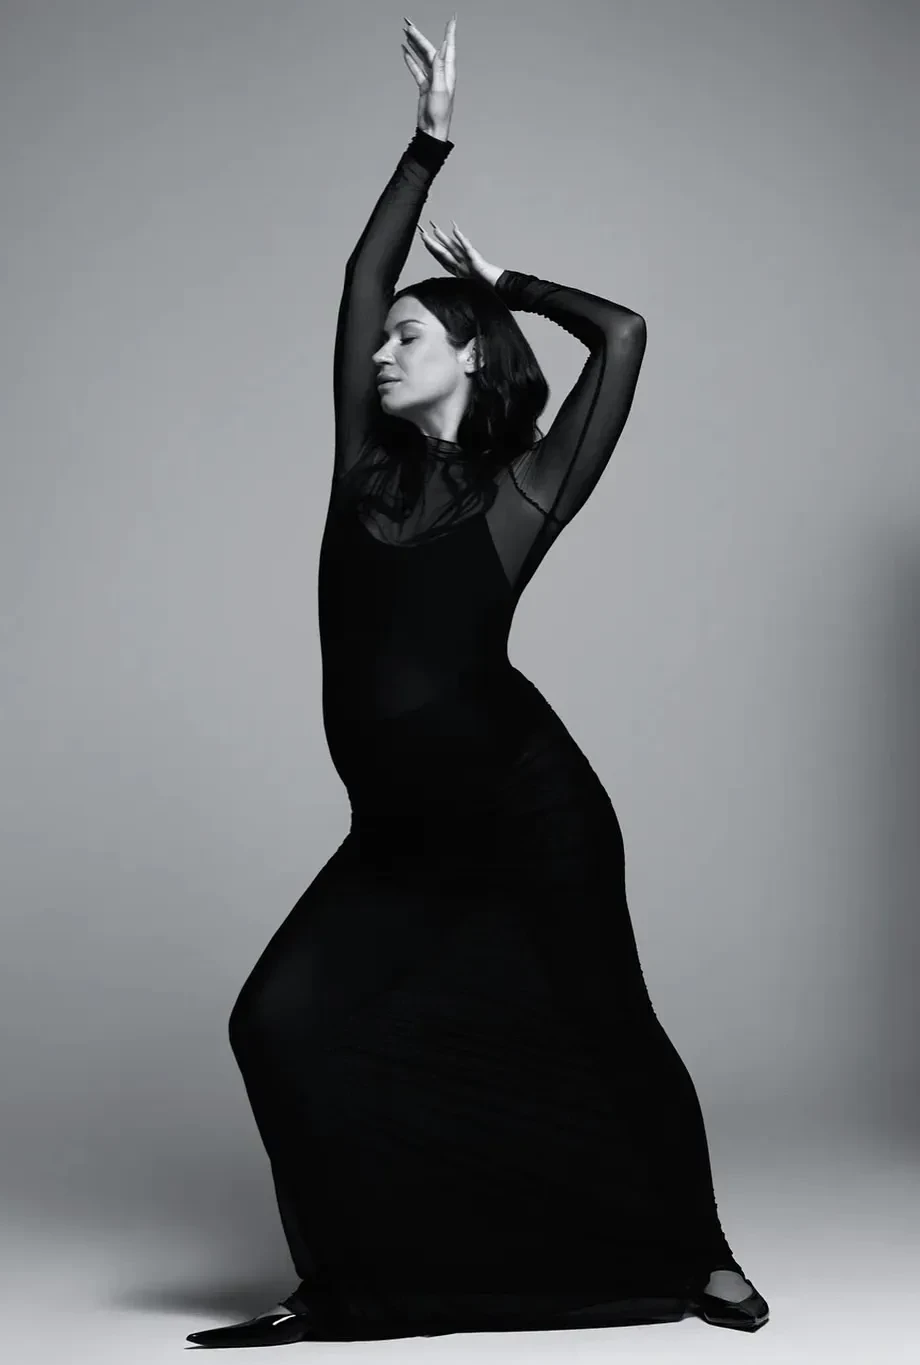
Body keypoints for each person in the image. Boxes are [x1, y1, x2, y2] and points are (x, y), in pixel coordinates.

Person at [187, 14, 769, 1348]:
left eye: (410, 337)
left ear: (467, 355)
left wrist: (511, 284)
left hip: (527, 813)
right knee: (280, 1023)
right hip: (399, 835)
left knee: (607, 1027)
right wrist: (427, 144)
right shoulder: (361, 465)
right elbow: (359, 278)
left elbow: (622, 335)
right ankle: (347, 1286)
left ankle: (704, 1260)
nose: (381, 351)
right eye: (382, 342)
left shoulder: (522, 495)